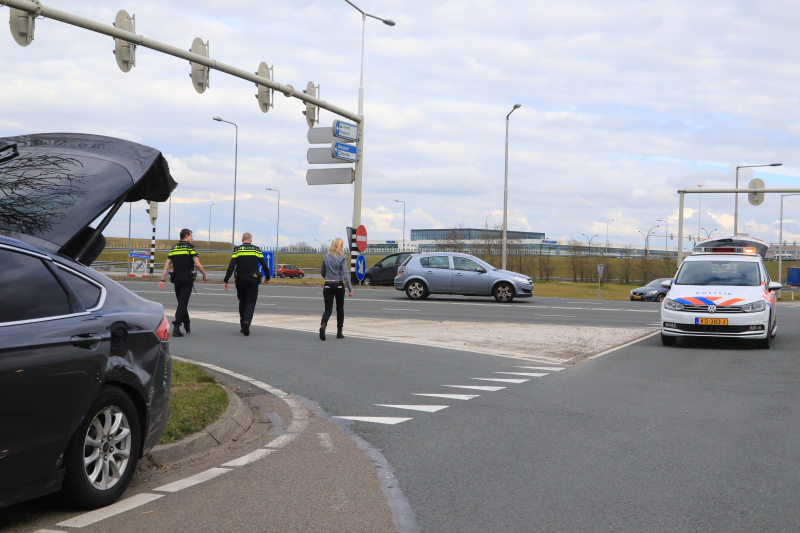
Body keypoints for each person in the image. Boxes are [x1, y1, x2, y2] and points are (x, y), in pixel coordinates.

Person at [158, 228, 208, 337]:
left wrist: (162, 280)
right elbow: (198, 264)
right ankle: (176, 326)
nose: (192, 238)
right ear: (186, 236)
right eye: (191, 236)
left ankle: (187, 323)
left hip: (176, 278)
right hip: (187, 278)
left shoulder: (174, 248)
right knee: (183, 302)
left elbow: (167, 265)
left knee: (181, 301)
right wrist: (204, 274)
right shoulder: (191, 248)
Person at [223, 233, 271, 336]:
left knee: (242, 301)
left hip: (240, 279)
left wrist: (226, 280)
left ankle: (242, 325)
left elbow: (231, 266)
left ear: (242, 240)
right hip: (253, 279)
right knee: (251, 302)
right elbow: (264, 265)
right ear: (251, 240)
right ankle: (247, 322)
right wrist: (267, 277)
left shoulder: (237, 250)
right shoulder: (256, 250)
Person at [319, 237, 353, 340]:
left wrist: (328, 279)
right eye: (342, 245)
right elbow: (345, 274)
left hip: (328, 285)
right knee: (340, 309)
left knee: (328, 309)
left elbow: (322, 271)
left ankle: (323, 325)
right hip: (338, 285)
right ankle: (339, 332)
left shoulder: (326, 256)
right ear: (338, 246)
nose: (343, 247)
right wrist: (350, 288)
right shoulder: (342, 258)